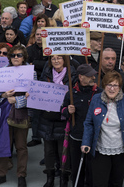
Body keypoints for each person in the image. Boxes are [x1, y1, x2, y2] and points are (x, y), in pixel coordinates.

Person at [81, 70, 124, 187]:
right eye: (109, 85)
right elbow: (89, 123)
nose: (112, 89)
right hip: (100, 150)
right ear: (104, 85)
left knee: (116, 183)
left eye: (115, 85)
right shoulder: (96, 99)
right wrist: (86, 142)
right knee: (99, 183)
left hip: (121, 151)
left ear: (120, 87)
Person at [0, 45, 35, 187]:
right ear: (10, 57)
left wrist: (17, 100)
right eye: (14, 55)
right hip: (4, 113)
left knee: (21, 146)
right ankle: (1, 174)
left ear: (24, 57)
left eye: (19, 55)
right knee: (4, 143)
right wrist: (3, 95)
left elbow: (34, 95)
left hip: (22, 113)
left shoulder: (30, 72)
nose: (16, 57)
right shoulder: (2, 71)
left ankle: (21, 175)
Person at [61, 64, 103, 187]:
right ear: (80, 77)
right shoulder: (71, 94)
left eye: (93, 75)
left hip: (94, 137)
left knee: (92, 169)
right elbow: (62, 110)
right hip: (77, 136)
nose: (93, 78)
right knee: (76, 169)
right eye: (89, 76)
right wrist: (67, 110)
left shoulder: (99, 93)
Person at [39, 55, 77, 187]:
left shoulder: (73, 74)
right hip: (48, 118)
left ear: (64, 60)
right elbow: (40, 92)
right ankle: (49, 178)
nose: (56, 61)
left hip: (63, 119)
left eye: (59, 58)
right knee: (48, 151)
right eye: (53, 58)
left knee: (63, 152)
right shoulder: (46, 73)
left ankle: (63, 179)